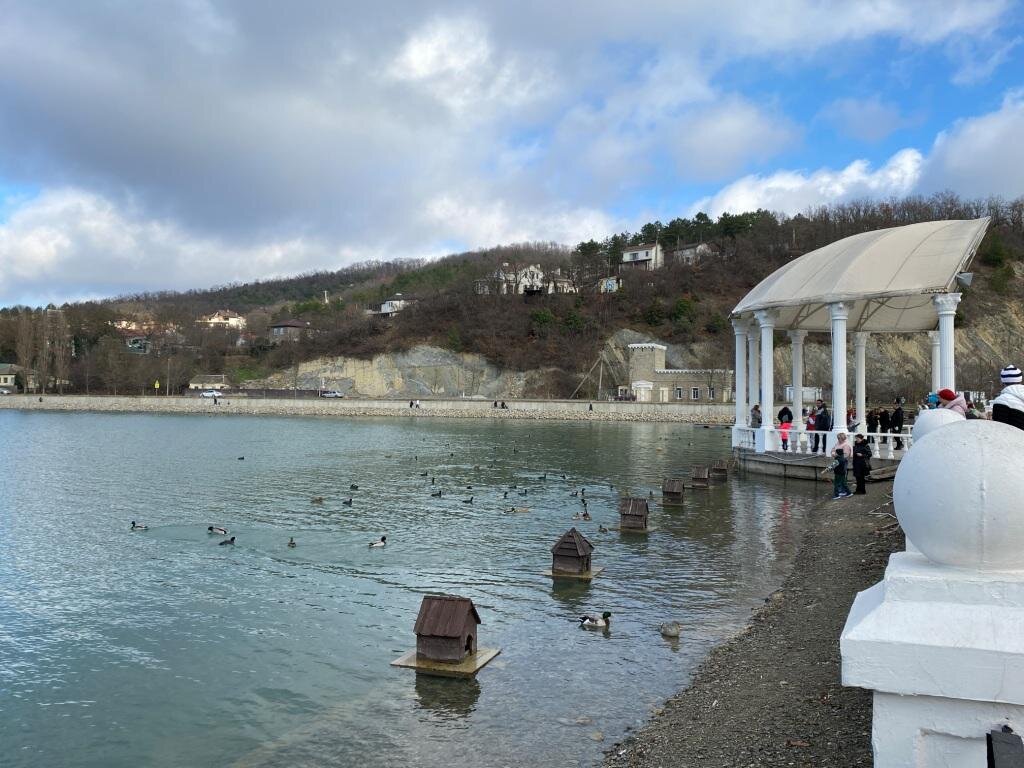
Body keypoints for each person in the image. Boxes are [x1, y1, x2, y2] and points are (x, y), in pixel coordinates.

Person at [992, 364, 1024, 431]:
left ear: (1003, 381)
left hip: (1014, 439)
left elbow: (999, 428)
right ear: (1020, 380)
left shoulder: (1001, 401)